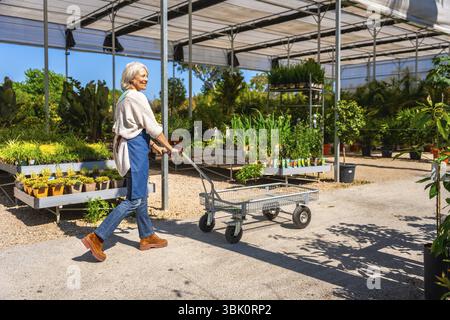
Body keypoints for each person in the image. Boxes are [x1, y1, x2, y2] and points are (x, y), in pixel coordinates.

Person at [81, 61, 177, 262]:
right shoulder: (137, 97)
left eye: (146, 75)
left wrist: (153, 146)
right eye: (142, 75)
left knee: (139, 194)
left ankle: (147, 236)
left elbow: (133, 127)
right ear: (131, 77)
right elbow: (151, 126)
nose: (146, 79)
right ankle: (97, 237)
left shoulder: (123, 98)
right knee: (134, 199)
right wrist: (169, 147)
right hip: (135, 152)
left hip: (134, 147)